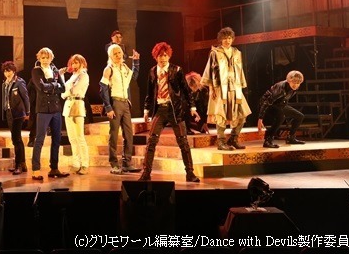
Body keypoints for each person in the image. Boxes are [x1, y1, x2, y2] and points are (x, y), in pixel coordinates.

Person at [140, 42, 200, 183]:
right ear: (156, 57)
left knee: (183, 142)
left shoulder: (177, 70)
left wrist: (192, 107)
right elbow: (149, 92)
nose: (163, 58)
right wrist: (146, 110)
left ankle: (190, 173)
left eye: (165, 55)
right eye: (160, 55)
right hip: (160, 110)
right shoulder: (152, 71)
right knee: (151, 141)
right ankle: (146, 173)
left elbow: (186, 90)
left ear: (169, 56)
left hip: (175, 110)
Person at [201, 27, 252, 151]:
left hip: (235, 87)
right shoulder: (215, 53)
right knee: (221, 114)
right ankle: (221, 141)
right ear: (220, 40)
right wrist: (212, 89)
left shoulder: (237, 52)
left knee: (243, 114)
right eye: (224, 38)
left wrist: (241, 84)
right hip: (220, 88)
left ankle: (233, 139)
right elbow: (210, 71)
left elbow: (240, 70)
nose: (227, 40)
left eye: (229, 38)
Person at [99, 43, 140, 174]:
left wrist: (136, 62)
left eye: (119, 52)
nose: (118, 55)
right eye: (115, 53)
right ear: (110, 56)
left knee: (128, 134)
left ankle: (127, 163)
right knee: (114, 135)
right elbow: (103, 89)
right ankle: (114, 164)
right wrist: (108, 107)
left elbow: (134, 77)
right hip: (115, 103)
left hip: (125, 103)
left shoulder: (125, 67)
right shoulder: (109, 69)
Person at [31, 47, 70, 180]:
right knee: (40, 139)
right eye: (42, 58)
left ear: (51, 58)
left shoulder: (55, 70)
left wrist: (52, 86)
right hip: (43, 109)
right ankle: (36, 169)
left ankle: (54, 168)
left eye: (47, 57)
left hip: (56, 109)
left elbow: (63, 88)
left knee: (57, 139)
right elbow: (41, 87)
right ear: (39, 58)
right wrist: (54, 85)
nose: (45, 60)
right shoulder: (36, 71)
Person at [257, 70, 306, 148]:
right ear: (289, 81)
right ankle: (268, 140)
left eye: (298, 83)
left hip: (280, 104)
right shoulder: (280, 88)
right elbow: (266, 102)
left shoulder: (295, 87)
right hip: (269, 105)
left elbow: (284, 100)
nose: (296, 85)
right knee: (281, 117)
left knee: (299, 116)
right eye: (294, 82)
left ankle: (291, 138)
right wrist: (260, 119)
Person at [60, 54, 90, 175]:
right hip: (68, 105)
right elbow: (65, 89)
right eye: (72, 63)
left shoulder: (84, 75)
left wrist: (64, 94)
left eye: (76, 62)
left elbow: (74, 90)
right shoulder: (73, 76)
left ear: (82, 63)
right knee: (72, 138)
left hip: (77, 104)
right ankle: (76, 163)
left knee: (80, 137)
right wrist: (61, 76)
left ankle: (85, 164)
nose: (74, 65)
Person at [1, 60, 30, 175]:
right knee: (16, 140)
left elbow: (26, 98)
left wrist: (27, 112)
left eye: (9, 71)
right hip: (9, 113)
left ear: (14, 71)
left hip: (18, 114)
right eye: (5, 71)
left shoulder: (19, 82)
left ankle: (19, 165)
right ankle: (22, 164)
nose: (7, 73)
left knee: (16, 139)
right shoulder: (4, 84)